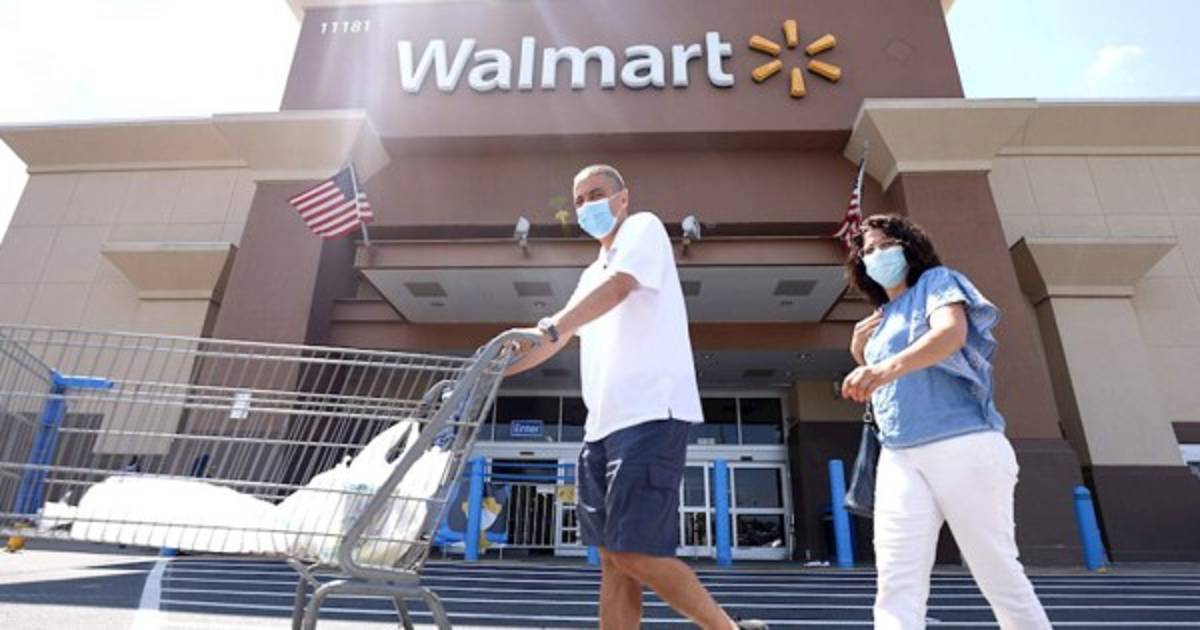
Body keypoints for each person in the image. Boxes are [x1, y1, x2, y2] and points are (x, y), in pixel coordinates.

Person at [505, 165, 767, 630]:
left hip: (650, 414)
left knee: (635, 552)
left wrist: (554, 326)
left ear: (623, 198)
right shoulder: (591, 274)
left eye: (597, 194)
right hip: (600, 429)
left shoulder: (643, 229)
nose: (587, 206)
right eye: (579, 200)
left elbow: (619, 287)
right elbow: (556, 338)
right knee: (612, 558)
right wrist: (498, 370)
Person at [840, 214, 1052, 629]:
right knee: (896, 579)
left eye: (886, 245)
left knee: (996, 572)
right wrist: (860, 352)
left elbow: (949, 334)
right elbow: (889, 388)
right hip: (899, 453)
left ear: (909, 247)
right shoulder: (881, 318)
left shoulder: (936, 283)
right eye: (868, 251)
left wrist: (879, 368)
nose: (877, 255)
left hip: (962, 442)